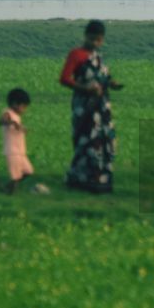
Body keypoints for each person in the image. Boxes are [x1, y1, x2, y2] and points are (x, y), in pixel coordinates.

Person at [60, 19, 123, 193]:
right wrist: (85, 88)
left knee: (104, 141)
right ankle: (80, 179)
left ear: (102, 40)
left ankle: (101, 179)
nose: (95, 42)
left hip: (102, 107)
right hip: (85, 106)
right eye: (92, 38)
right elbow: (64, 79)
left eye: (98, 40)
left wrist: (112, 83)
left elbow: (104, 78)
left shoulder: (98, 57)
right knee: (86, 141)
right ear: (86, 36)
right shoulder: (76, 54)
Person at [0, 88, 33, 194]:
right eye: (23, 107)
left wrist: (21, 128)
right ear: (14, 104)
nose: (24, 110)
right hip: (12, 151)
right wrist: (12, 123)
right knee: (15, 176)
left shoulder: (17, 117)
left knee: (28, 171)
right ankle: (10, 192)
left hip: (20, 151)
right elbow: (2, 121)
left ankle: (7, 186)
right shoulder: (7, 113)